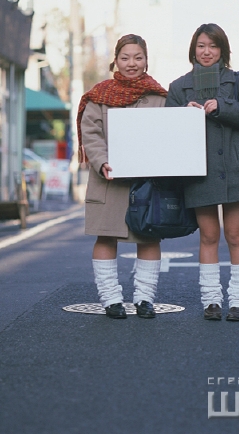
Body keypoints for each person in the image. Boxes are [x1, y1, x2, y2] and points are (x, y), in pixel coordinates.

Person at [165, 23, 239, 321]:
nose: (206, 52)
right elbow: (168, 128)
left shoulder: (237, 81)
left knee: (235, 234)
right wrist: (186, 114)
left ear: (223, 50)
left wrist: (221, 106)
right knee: (208, 236)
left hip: (234, 166)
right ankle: (211, 301)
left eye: (213, 46)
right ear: (193, 50)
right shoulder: (179, 86)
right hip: (198, 169)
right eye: (201, 46)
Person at [76, 34, 167, 319]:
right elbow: (90, 134)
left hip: (147, 183)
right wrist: (101, 162)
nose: (131, 63)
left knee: (149, 237)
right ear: (115, 59)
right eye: (125, 57)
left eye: (138, 57)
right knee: (106, 236)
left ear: (146, 60)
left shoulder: (160, 97)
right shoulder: (99, 95)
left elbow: (170, 134)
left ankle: (144, 299)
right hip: (109, 179)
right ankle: (111, 299)